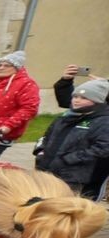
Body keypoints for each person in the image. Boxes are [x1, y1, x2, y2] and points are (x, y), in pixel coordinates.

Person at [34, 79, 109, 197]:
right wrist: (40, 151)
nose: (77, 101)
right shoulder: (65, 117)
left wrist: (70, 159)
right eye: (75, 96)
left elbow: (103, 148)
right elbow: (46, 136)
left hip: (72, 176)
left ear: (97, 101)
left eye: (84, 98)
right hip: (46, 169)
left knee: (60, 206)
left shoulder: (103, 121)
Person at [54, 64, 109, 198]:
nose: (77, 101)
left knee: (86, 198)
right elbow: (69, 102)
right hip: (66, 165)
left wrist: (104, 88)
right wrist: (66, 82)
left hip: (94, 167)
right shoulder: (76, 111)